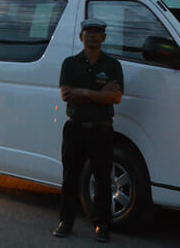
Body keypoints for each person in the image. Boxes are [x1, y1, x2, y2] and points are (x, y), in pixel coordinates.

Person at [53, 18, 124, 243]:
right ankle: (66, 222)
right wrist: (97, 93)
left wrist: (83, 93)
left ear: (103, 37)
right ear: (80, 37)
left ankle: (102, 225)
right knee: (70, 177)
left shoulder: (112, 65)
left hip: (101, 130)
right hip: (74, 129)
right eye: (88, 32)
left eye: (97, 32)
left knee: (103, 179)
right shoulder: (70, 63)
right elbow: (66, 94)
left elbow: (115, 97)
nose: (92, 36)